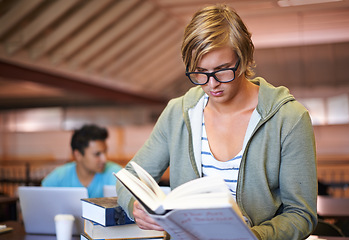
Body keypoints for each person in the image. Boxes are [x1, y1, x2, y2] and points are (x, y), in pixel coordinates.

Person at [116, 4, 317, 239]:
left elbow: (301, 214)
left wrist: (256, 237)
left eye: (222, 70)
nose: (211, 84)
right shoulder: (178, 113)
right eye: (200, 72)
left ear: (243, 60)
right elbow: (129, 178)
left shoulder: (289, 119)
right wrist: (135, 206)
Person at [42, 124, 121, 198]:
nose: (104, 159)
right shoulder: (58, 178)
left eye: (105, 152)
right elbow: (40, 200)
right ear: (78, 155)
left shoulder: (116, 174)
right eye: (97, 154)